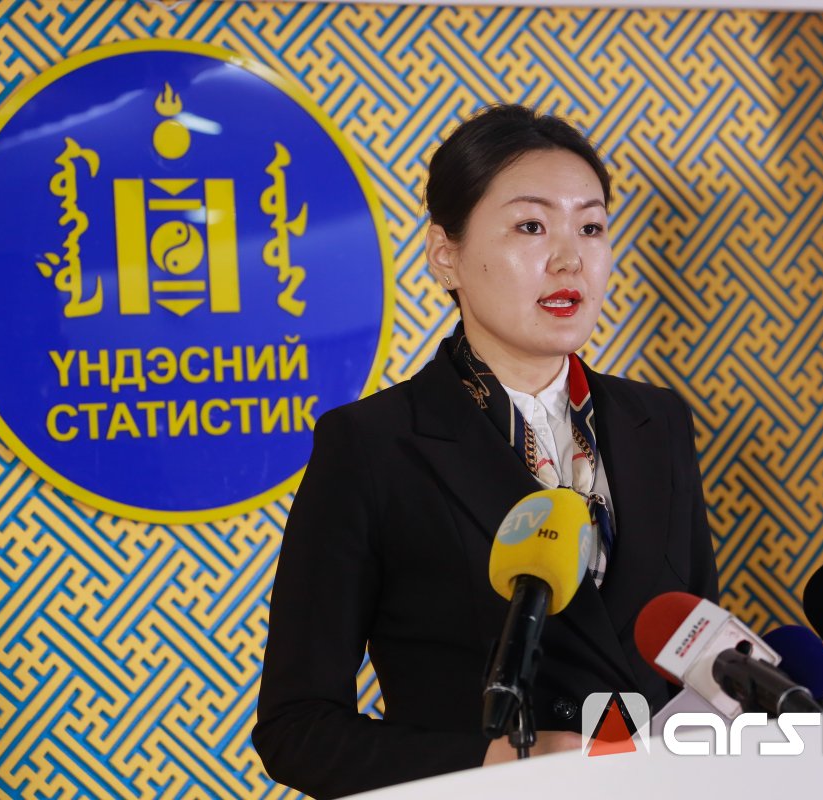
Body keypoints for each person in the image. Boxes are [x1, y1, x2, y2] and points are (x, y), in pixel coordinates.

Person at [253, 104, 719, 799]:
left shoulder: (659, 422)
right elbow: (297, 730)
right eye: (531, 226)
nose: (570, 259)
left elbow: (694, 648)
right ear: (446, 255)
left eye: (591, 227)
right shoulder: (373, 445)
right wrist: (495, 762)